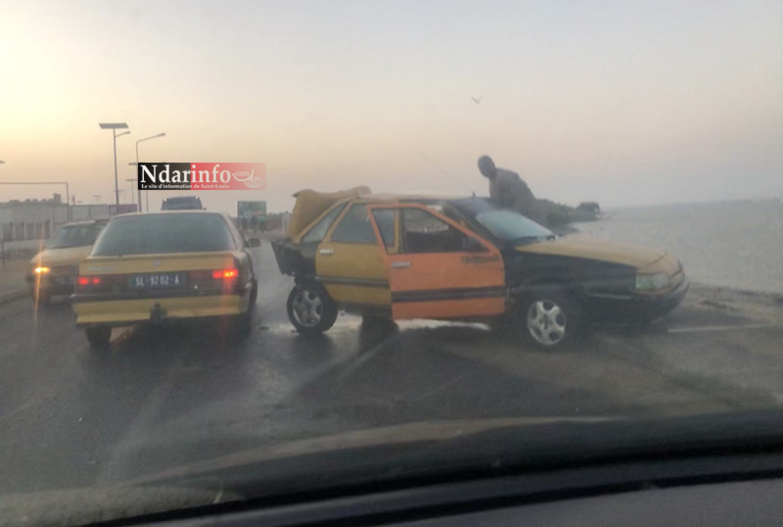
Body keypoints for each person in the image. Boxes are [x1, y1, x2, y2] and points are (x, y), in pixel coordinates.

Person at [477, 155, 547, 225]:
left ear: (492, 164)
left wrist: (516, 218)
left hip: (530, 217)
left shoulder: (503, 177)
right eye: (481, 168)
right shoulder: (493, 180)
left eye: (485, 166)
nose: (483, 170)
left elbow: (522, 197)